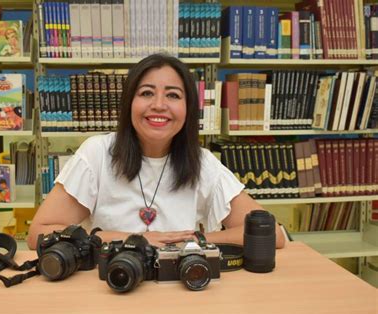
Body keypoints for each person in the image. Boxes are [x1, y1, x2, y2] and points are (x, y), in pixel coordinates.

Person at [27, 54, 285, 250]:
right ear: (129, 103)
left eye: (173, 95)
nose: (159, 105)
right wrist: (138, 240)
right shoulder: (97, 153)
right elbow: (39, 232)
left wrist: (192, 240)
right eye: (147, 93)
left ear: (189, 109)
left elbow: (275, 234)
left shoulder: (202, 162)